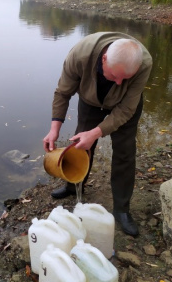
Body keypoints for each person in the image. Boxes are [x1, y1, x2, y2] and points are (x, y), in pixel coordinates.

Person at [43, 32, 152, 237]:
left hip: (125, 106)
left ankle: (121, 210)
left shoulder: (143, 63)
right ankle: (74, 185)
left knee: (124, 152)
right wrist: (54, 128)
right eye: (114, 75)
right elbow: (63, 92)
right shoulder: (79, 56)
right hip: (91, 100)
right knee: (80, 145)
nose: (119, 82)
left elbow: (126, 111)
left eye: (125, 78)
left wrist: (96, 132)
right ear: (104, 59)